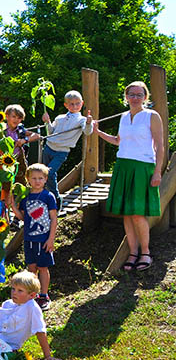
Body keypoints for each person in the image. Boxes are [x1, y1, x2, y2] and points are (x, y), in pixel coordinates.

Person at [95, 81, 163, 272]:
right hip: (123, 166)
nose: (135, 98)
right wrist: (97, 131)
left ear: (145, 97)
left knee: (137, 213)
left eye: (139, 94)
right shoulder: (124, 117)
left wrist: (157, 171)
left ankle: (145, 253)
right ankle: (133, 253)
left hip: (143, 167)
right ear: (126, 97)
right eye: (131, 94)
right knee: (126, 212)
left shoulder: (152, 116)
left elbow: (160, 145)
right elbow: (118, 141)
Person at [8, 164, 58, 310]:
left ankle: (44, 295)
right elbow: (24, 217)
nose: (37, 181)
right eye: (34, 178)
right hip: (29, 239)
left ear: (45, 179)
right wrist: (14, 207)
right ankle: (32, 294)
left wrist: (51, 239)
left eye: (40, 178)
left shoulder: (48, 197)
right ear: (28, 179)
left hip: (43, 238)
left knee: (43, 267)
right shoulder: (25, 197)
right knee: (31, 267)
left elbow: (54, 218)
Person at [41, 90, 94, 208]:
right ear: (66, 105)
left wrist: (90, 123)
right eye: (71, 104)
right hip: (49, 148)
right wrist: (47, 122)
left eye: (77, 103)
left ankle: (55, 198)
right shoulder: (60, 118)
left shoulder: (82, 120)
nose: (74, 106)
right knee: (45, 175)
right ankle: (47, 198)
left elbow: (87, 131)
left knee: (48, 173)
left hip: (61, 151)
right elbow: (51, 132)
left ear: (82, 103)